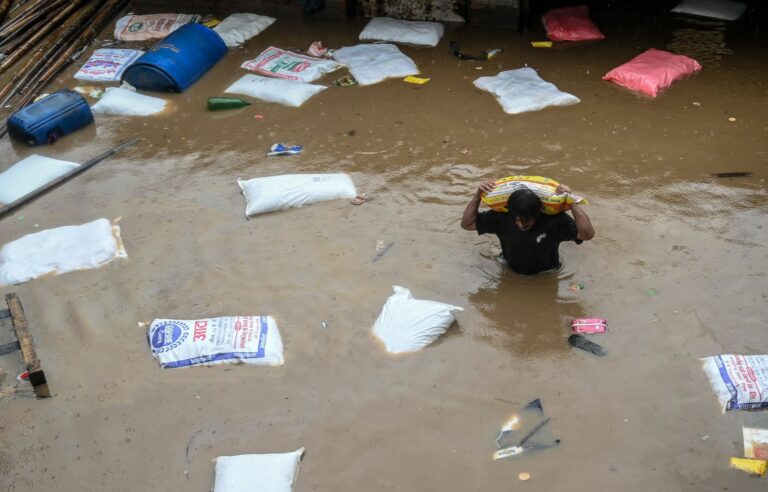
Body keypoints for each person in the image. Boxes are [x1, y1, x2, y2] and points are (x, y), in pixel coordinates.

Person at [461, 180, 594, 275]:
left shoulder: (553, 221)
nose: (522, 225)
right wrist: (478, 195)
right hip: (510, 271)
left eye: (528, 220)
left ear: (538, 213)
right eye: (518, 220)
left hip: (547, 274)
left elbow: (587, 234)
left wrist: (571, 203)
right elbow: (467, 224)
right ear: (510, 213)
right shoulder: (501, 217)